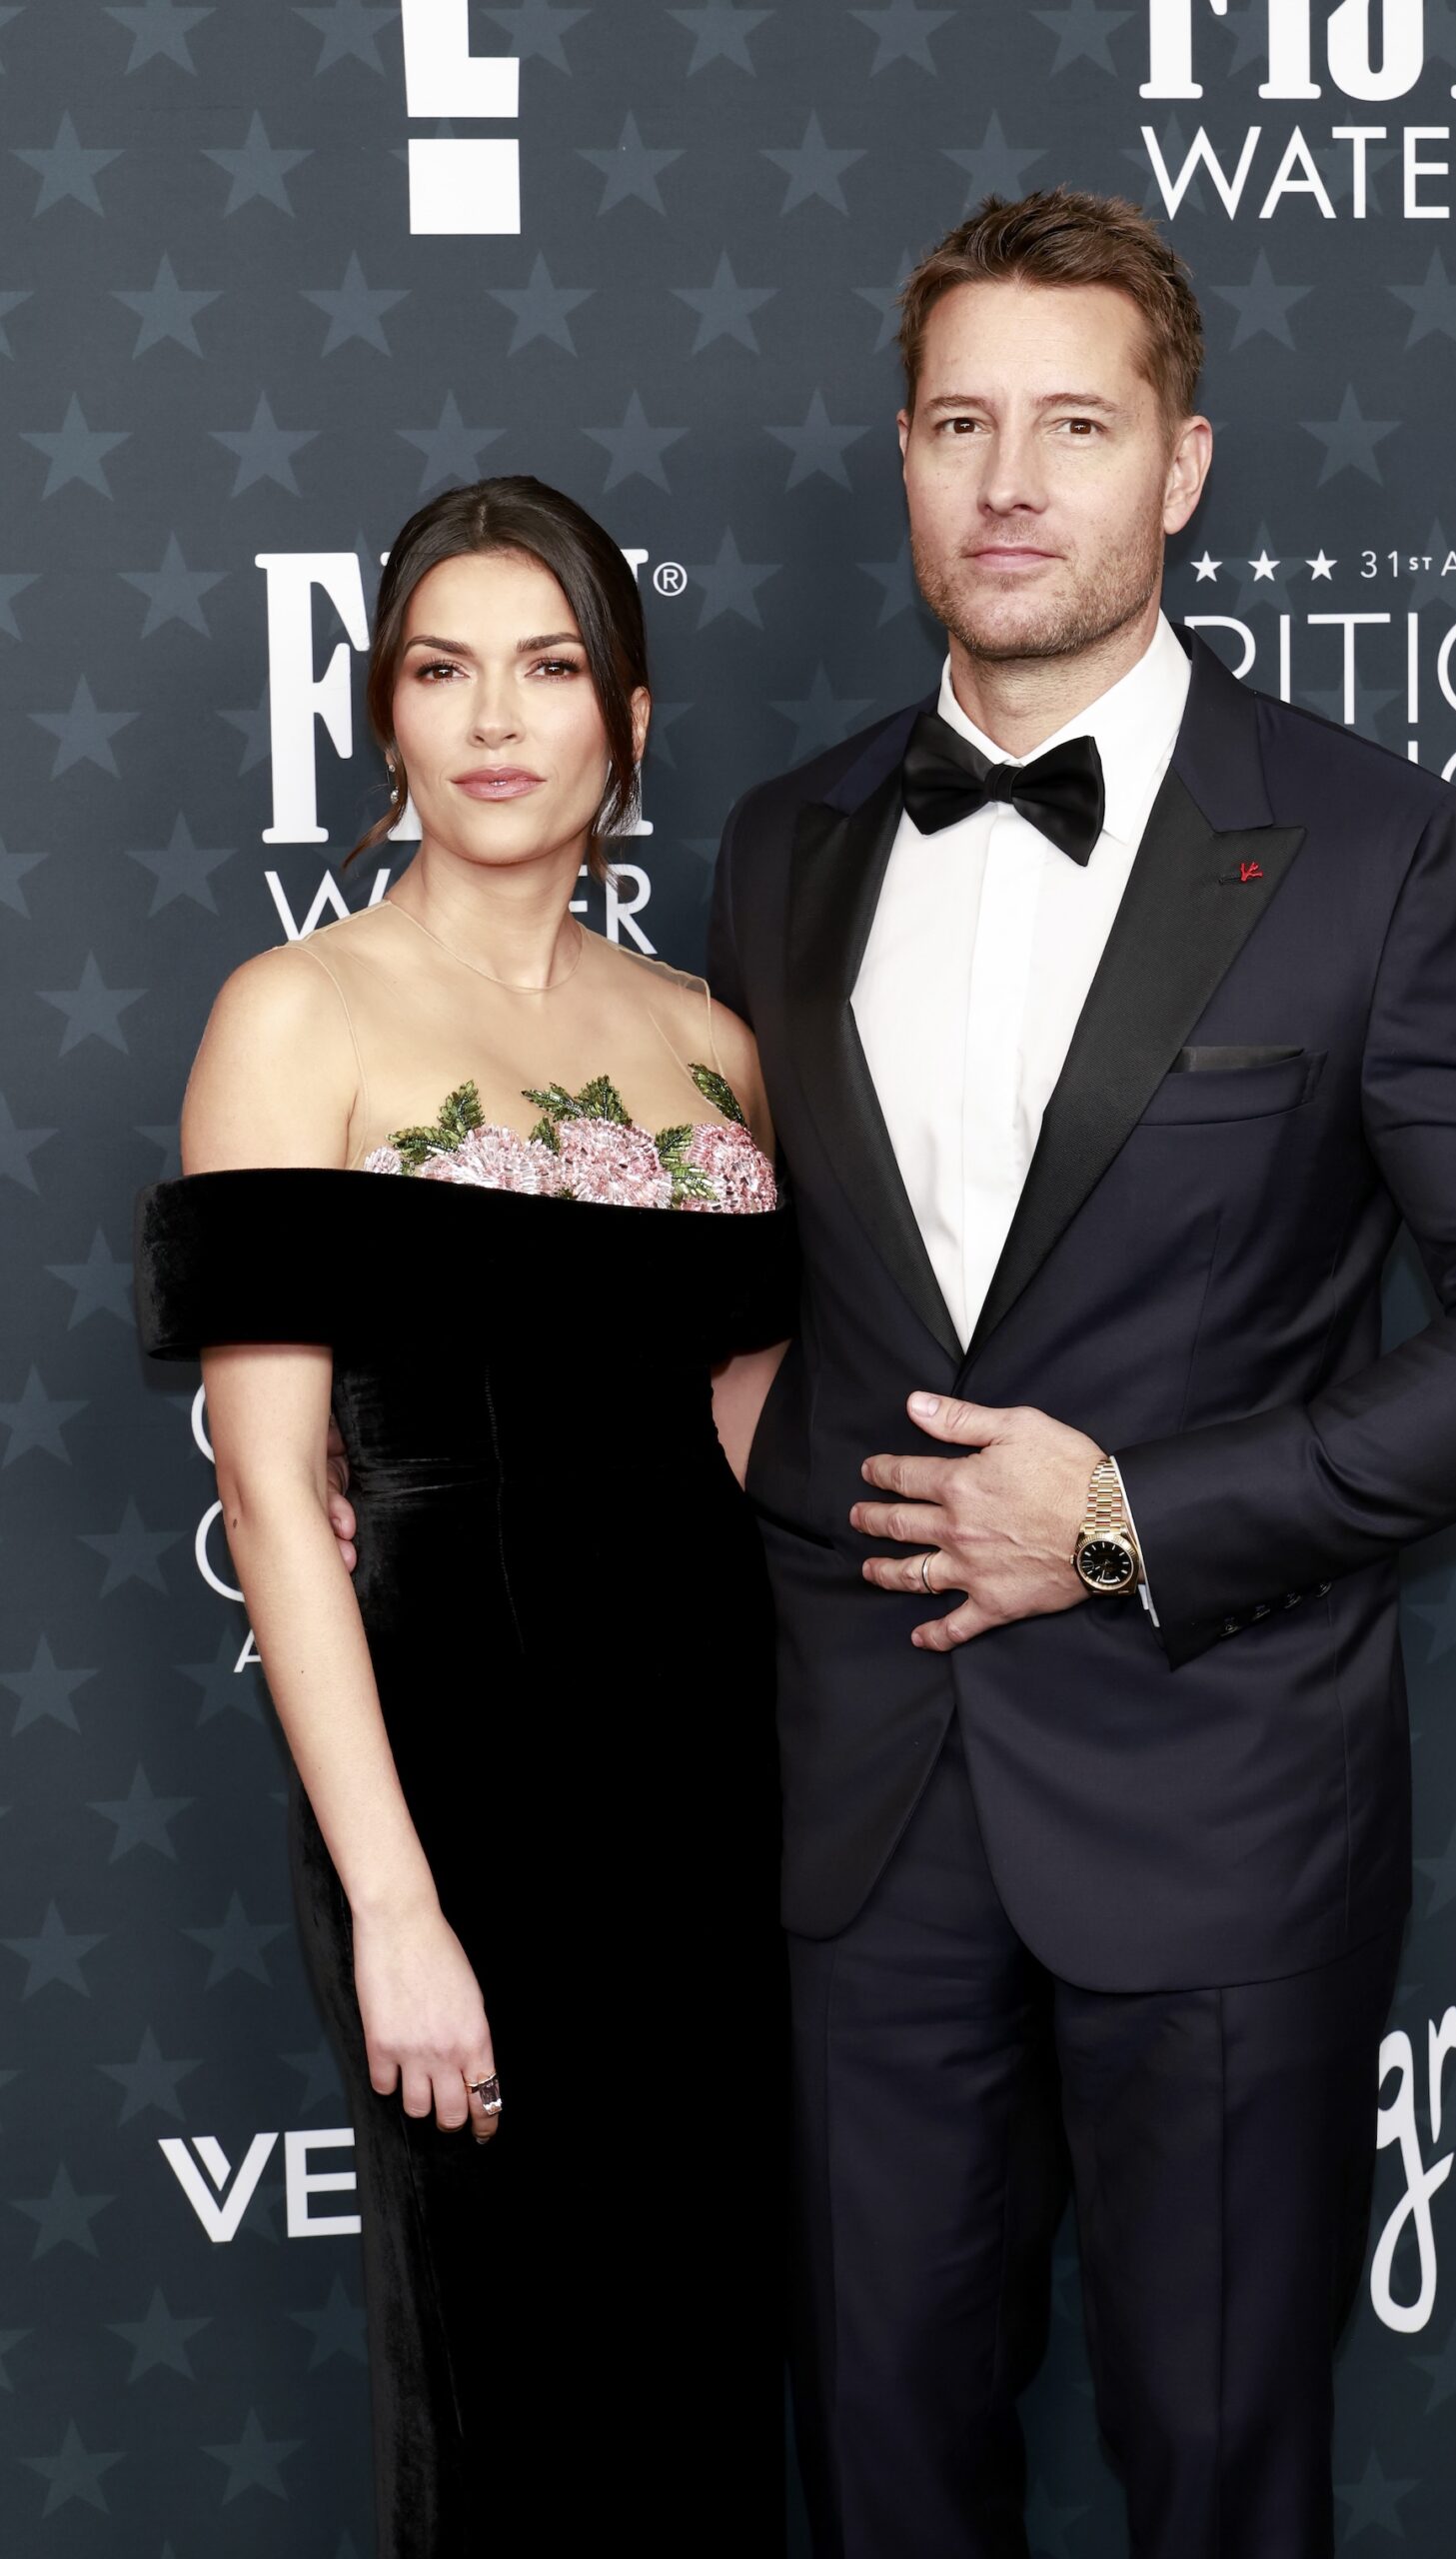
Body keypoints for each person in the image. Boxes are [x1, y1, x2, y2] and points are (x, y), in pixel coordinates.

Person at [707, 191, 1456, 2557]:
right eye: (957, 425)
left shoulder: (1376, 849)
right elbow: (756, 1272)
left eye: (1074, 425)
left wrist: (1132, 1512)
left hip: (1217, 1794)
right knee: (876, 2474)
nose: (1009, 481)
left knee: (1221, 2476)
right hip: (860, 1808)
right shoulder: (783, 845)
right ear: (901, 462)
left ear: (1181, 465)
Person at [134, 477, 793, 2556]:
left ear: (629, 718)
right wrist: (396, 1906)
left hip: (718, 1782)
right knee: (498, 2384)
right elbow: (271, 1491)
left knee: (706, 2368)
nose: (495, 719)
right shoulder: (293, 1015)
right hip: (454, 1784)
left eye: (548, 667)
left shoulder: (709, 1048)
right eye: (442, 669)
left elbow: (749, 1432)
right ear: (385, 717)